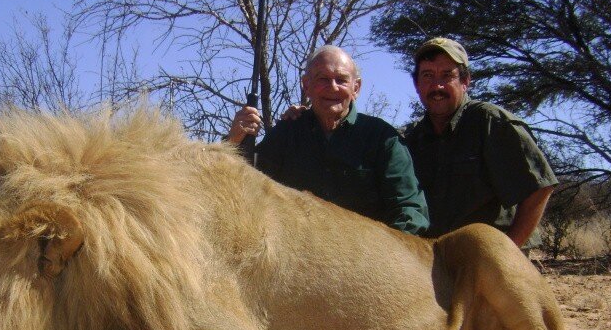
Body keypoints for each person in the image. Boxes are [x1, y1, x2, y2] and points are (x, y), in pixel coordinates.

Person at [226, 46, 429, 235]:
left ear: (356, 88)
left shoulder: (383, 138)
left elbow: (410, 210)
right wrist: (234, 140)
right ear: (306, 85)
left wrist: (385, 260)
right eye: (323, 79)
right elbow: (242, 184)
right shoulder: (286, 134)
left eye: (341, 80)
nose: (332, 87)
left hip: (365, 262)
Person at [403, 37, 557, 246]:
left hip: (488, 257)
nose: (437, 85)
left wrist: (507, 253)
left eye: (447, 75)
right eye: (428, 76)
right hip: (435, 260)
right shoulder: (411, 138)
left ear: (465, 81)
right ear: (417, 85)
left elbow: (540, 187)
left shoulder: (490, 121)